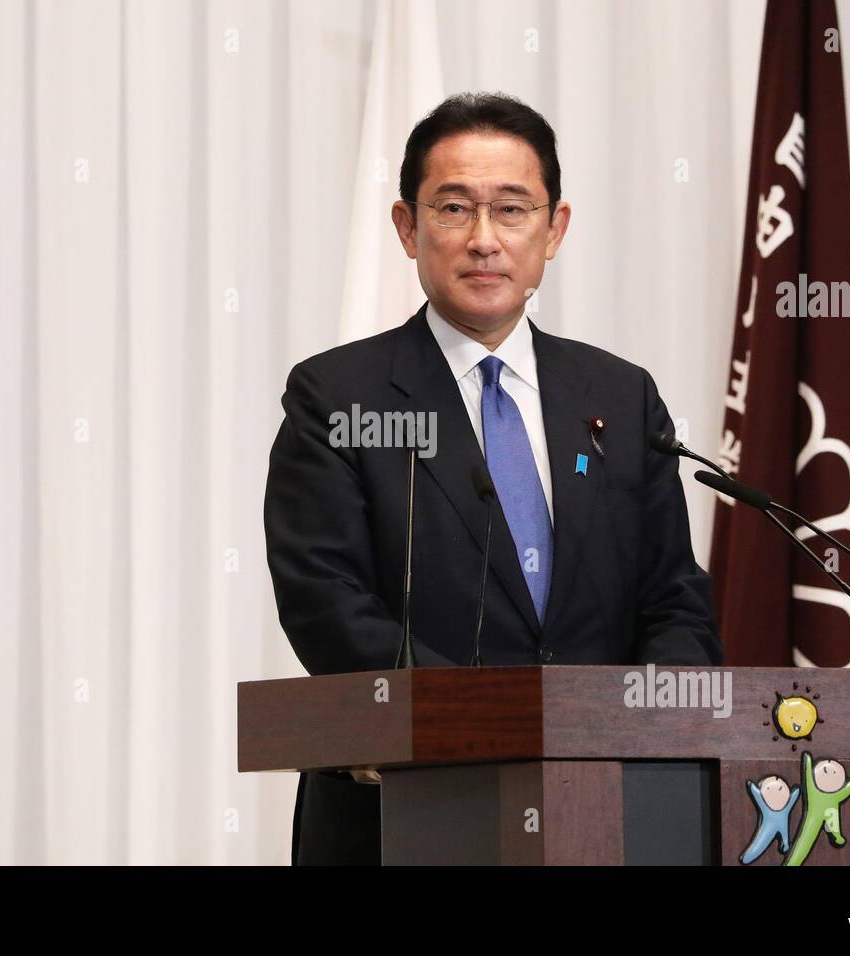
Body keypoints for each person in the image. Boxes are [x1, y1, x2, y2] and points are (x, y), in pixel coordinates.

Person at [264, 92, 721, 865]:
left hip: (606, 814)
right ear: (408, 228)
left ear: (555, 229)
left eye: (512, 210)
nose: (484, 241)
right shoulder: (339, 396)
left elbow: (673, 596)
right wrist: (493, 728)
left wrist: (638, 725)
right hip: (406, 811)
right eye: (452, 209)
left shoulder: (619, 396)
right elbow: (326, 604)